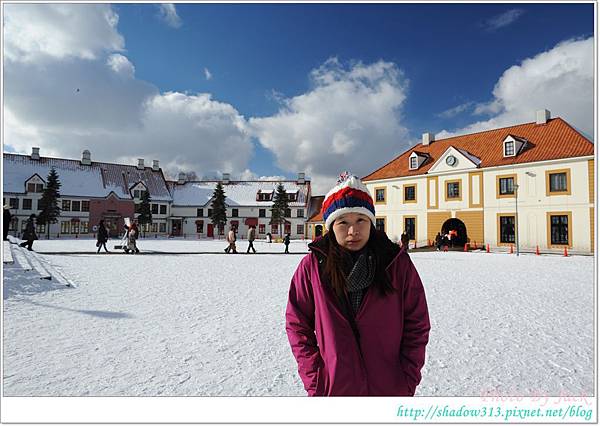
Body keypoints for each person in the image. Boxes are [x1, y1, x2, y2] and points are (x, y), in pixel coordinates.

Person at [285, 172, 430, 396]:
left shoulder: (395, 263)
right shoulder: (312, 266)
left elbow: (417, 323)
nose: (353, 231)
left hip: (389, 387)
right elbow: (297, 325)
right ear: (331, 226)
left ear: (371, 222)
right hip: (334, 388)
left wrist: (406, 378)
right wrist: (316, 379)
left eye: (361, 220)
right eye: (343, 222)